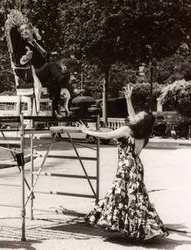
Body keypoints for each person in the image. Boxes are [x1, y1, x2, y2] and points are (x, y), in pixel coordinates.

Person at [77, 84, 168, 241]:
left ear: (140, 121)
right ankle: (143, 228)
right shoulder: (144, 133)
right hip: (136, 165)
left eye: (138, 116)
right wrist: (128, 99)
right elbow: (132, 116)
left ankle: (123, 225)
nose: (134, 116)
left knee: (120, 195)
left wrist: (86, 132)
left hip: (126, 165)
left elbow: (106, 136)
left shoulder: (127, 130)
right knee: (137, 197)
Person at [12, 22, 78, 117]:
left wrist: (59, 66)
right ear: (21, 35)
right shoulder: (22, 45)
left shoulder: (39, 43)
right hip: (32, 73)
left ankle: (55, 111)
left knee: (57, 78)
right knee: (52, 67)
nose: (25, 31)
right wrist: (26, 57)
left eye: (26, 29)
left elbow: (49, 58)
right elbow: (20, 61)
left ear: (31, 30)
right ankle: (71, 89)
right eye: (22, 31)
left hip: (45, 72)